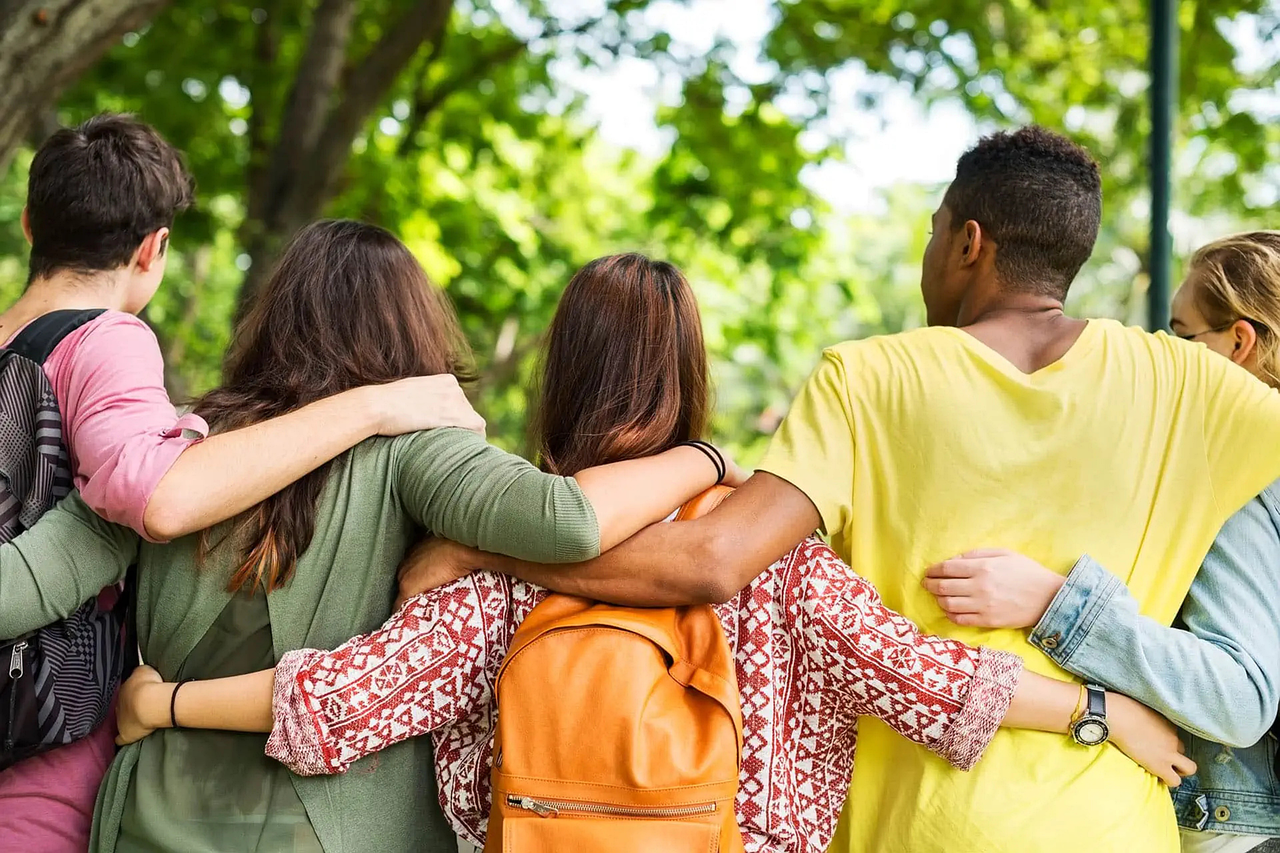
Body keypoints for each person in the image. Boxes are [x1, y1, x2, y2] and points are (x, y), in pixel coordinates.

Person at [382, 129, 1280, 852]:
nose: (927, 251)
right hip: (1110, 820)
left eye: (933, 230)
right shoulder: (1195, 386)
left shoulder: (868, 376)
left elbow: (714, 559)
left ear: (969, 243)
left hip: (907, 829)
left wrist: (484, 548)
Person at [111, 253, 1186, 853]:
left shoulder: (493, 557)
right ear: (692, 373)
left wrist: (158, 705)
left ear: (560, 377)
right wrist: (1105, 713)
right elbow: (936, 682)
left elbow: (339, 704)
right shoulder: (779, 558)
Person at [0, 223, 745, 853]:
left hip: (152, 821)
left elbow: (20, 587)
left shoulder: (179, 450)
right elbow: (571, 520)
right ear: (412, 326)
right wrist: (704, 456)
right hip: (335, 829)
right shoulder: (421, 450)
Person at [0, 114, 482, 852]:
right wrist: (380, 402)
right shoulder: (108, 337)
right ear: (153, 248)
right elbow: (156, 496)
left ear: (30, 223)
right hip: (42, 730)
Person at [920, 231, 1280, 853]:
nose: (1164, 351)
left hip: (1229, 833)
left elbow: (1239, 697)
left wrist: (1054, 603)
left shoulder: (1239, 480)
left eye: (1181, 333)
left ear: (1240, 344)